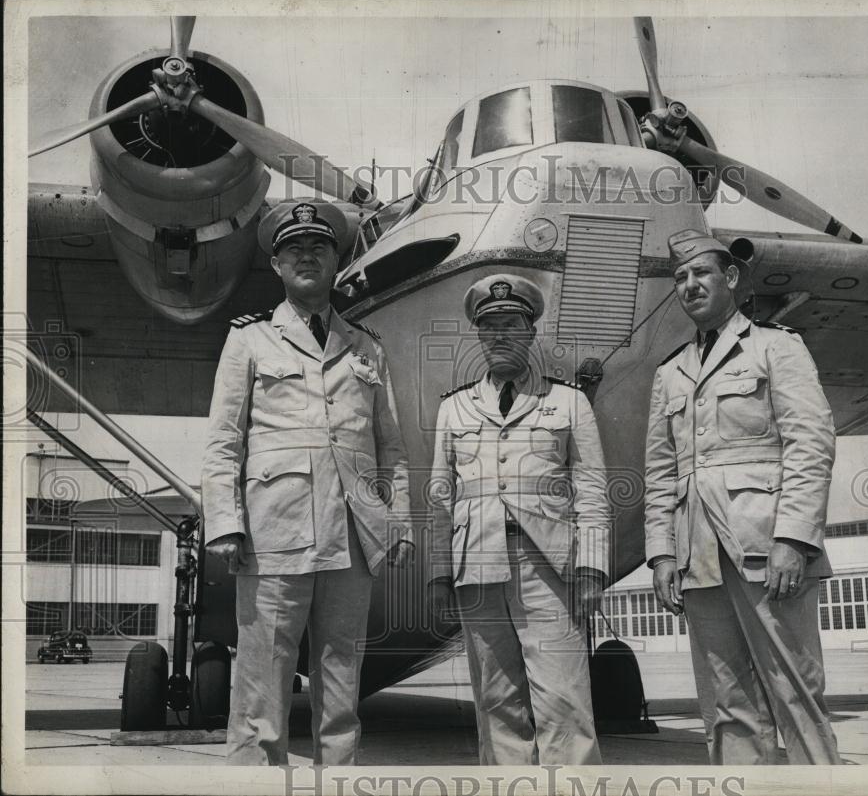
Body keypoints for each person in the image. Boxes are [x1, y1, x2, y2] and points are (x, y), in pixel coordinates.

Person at [201, 197, 413, 766]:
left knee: (341, 680)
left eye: (319, 246)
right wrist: (224, 522)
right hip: (275, 534)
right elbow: (224, 441)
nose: (307, 255)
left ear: (336, 260)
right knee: (261, 680)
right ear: (276, 264)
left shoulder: (366, 347)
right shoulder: (248, 341)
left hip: (351, 539)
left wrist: (398, 523)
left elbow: (389, 446)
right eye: (294, 248)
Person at [644, 229, 841, 765]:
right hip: (698, 560)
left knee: (796, 695)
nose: (690, 285)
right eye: (680, 278)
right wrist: (662, 554)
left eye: (701, 273)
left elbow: (811, 444)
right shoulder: (670, 372)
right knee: (727, 707)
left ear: (730, 279)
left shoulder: (777, 347)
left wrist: (794, 539)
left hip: (765, 550)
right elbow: (661, 472)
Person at [427, 274, 610, 765]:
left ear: (531, 332)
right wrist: (440, 574)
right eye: (490, 327)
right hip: (477, 566)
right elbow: (440, 496)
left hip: (547, 566)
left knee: (564, 702)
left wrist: (591, 569)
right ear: (479, 336)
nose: (500, 335)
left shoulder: (569, 401)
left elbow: (592, 490)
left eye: (511, 323)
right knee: (497, 704)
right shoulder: (454, 408)